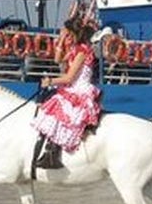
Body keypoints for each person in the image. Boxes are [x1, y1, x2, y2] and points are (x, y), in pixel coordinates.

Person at [32, 15, 102, 169]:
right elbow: (58, 60)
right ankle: (49, 150)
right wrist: (61, 40)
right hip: (71, 87)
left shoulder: (82, 51)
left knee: (58, 109)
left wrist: (50, 81)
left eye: (69, 34)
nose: (67, 36)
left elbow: (69, 78)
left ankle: (53, 154)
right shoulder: (75, 50)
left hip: (79, 89)